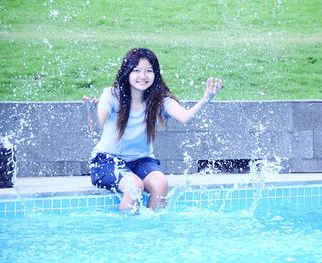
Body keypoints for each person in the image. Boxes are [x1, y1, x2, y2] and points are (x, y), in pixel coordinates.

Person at [85, 47, 222, 212]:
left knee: (161, 184)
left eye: (148, 71)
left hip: (142, 161)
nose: (143, 76)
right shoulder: (113, 95)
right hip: (107, 161)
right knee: (134, 185)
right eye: (136, 70)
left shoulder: (160, 100)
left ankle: (151, 230)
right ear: (127, 72)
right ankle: (126, 231)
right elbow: (99, 122)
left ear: (155, 74)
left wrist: (206, 98)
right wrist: (91, 111)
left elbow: (185, 118)